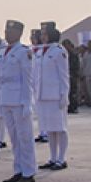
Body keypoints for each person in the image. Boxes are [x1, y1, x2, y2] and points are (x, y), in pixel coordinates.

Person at [0, 20, 37, 182]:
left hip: (19, 99)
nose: (7, 34)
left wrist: (28, 102)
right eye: (6, 31)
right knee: (14, 138)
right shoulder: (4, 51)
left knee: (25, 137)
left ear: (19, 34)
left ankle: (29, 172)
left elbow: (27, 79)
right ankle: (18, 169)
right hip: (6, 98)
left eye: (11, 31)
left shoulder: (23, 52)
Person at [36, 25, 71, 170]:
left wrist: (64, 94)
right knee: (50, 129)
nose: (43, 37)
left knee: (60, 128)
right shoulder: (40, 51)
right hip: (43, 95)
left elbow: (64, 75)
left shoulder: (58, 51)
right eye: (42, 34)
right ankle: (52, 157)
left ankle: (62, 158)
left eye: (45, 34)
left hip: (56, 95)